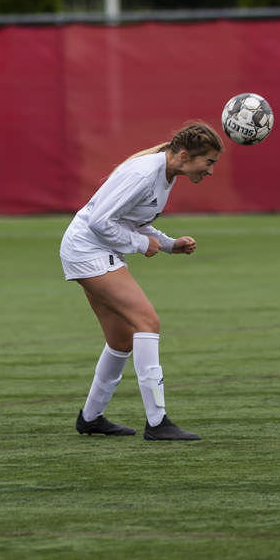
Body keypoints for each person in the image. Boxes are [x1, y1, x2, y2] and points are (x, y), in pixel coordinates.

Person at [61, 121, 221, 442]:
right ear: (186, 155)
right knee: (146, 321)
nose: (211, 170)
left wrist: (168, 244)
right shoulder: (145, 173)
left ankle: (90, 418)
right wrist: (139, 245)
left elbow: (136, 223)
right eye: (209, 162)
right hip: (87, 248)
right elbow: (99, 221)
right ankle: (157, 422)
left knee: (120, 339)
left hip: (93, 248)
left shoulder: (167, 173)